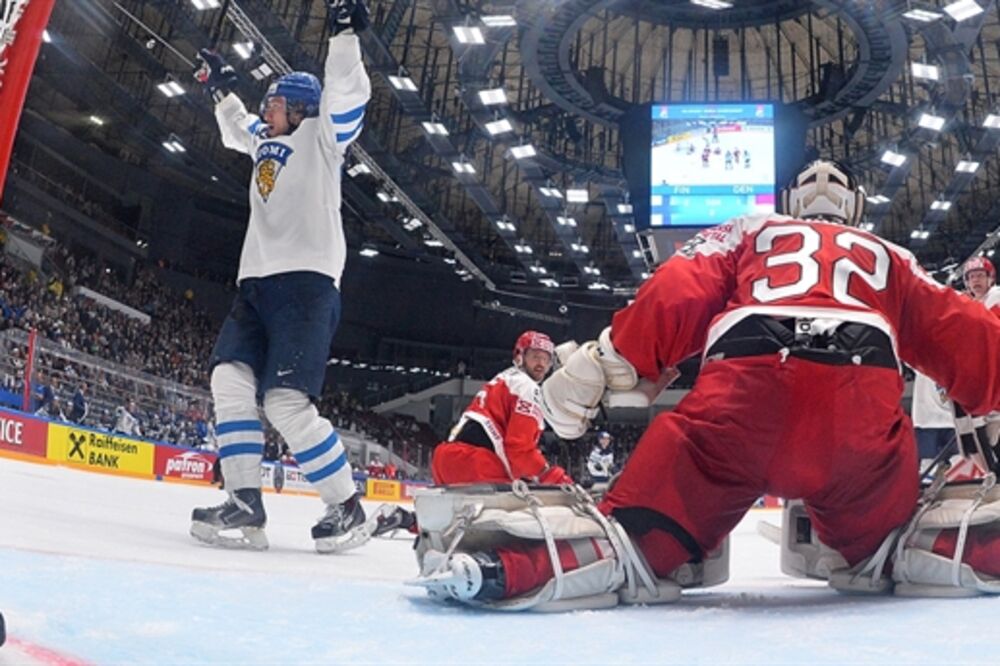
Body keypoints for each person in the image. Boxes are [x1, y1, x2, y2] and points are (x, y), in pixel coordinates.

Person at [410, 159, 1000, 607]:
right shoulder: (891, 254)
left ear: (791, 202)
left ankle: (504, 564)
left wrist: (607, 360)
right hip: (859, 423)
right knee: (889, 551)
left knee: (635, 546)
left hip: (740, 402)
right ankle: (959, 547)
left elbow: (676, 292)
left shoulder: (750, 229)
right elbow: (970, 339)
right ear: (857, 209)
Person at [189, 0, 373, 553]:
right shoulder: (265, 141)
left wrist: (343, 36)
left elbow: (345, 94)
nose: (265, 113)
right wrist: (221, 89)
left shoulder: (323, 136)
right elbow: (237, 128)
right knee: (229, 381)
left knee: (286, 404)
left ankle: (347, 507)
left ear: (299, 109)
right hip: (256, 284)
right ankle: (245, 501)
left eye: (274, 105)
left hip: (308, 284)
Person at [368, 331, 571, 539]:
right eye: (535, 356)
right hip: (476, 463)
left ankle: (405, 519)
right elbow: (519, 450)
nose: (541, 364)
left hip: (447, 458)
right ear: (520, 356)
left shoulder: (503, 379)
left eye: (546, 359)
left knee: (453, 521)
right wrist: (554, 476)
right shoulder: (527, 387)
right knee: (516, 522)